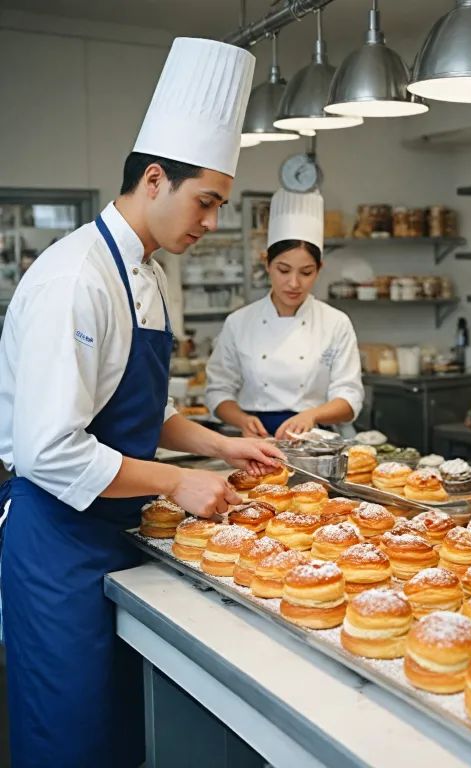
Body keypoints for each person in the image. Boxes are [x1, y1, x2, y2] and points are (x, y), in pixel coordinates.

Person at [0, 38, 285, 768]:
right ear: (154, 179)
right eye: (206, 202)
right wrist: (177, 479)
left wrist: (220, 447)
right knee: (72, 739)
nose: (213, 221)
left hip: (119, 532)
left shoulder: (149, 276)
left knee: (126, 731)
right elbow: (51, 447)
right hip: (59, 544)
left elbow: (133, 411)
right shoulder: (77, 279)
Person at [206, 189, 365, 440]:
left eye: (306, 272)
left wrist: (312, 415)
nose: (294, 283)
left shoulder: (335, 323)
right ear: (267, 263)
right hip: (254, 441)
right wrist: (243, 420)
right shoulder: (239, 322)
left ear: (319, 269)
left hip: (315, 442)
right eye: (283, 270)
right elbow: (218, 391)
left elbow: (350, 397)